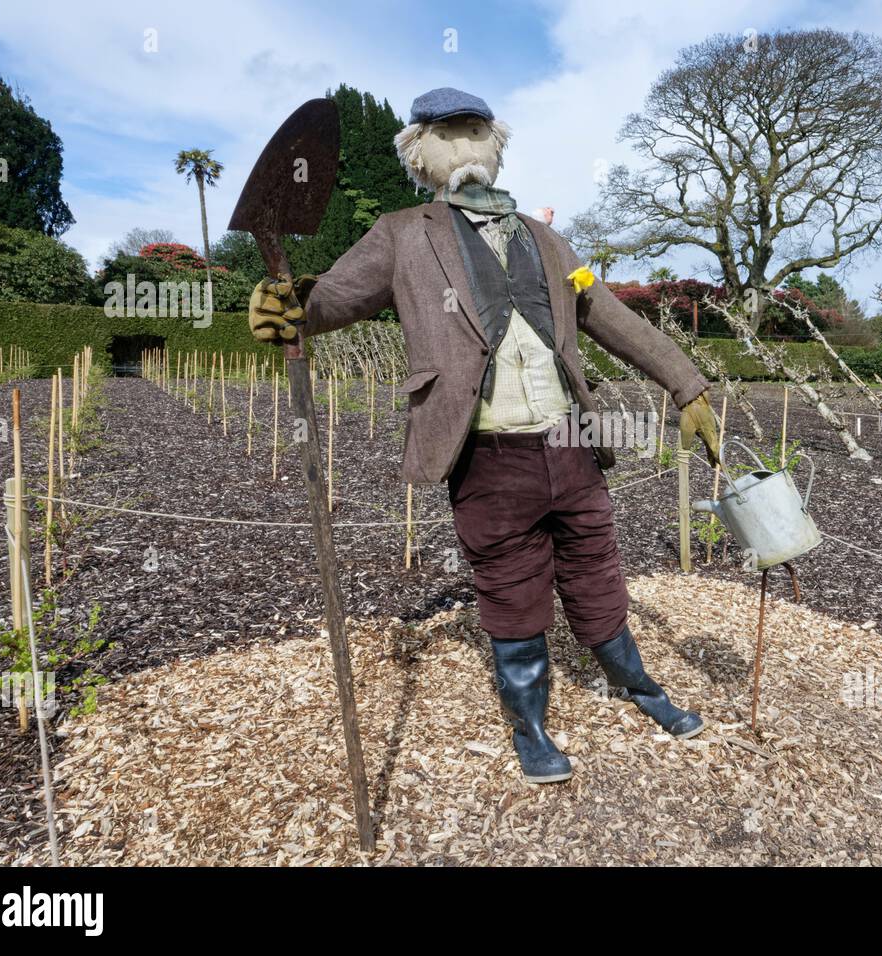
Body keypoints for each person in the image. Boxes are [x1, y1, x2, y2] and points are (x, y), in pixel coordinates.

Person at [249, 87, 720, 784]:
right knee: (510, 586)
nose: (464, 143)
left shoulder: (546, 238)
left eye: (475, 130)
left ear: (495, 144)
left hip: (571, 445)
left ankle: (640, 687)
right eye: (448, 133)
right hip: (486, 454)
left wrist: (687, 383)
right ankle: (531, 727)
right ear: (421, 152)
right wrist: (288, 306)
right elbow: (333, 299)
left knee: (597, 570)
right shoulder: (403, 234)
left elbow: (613, 319)